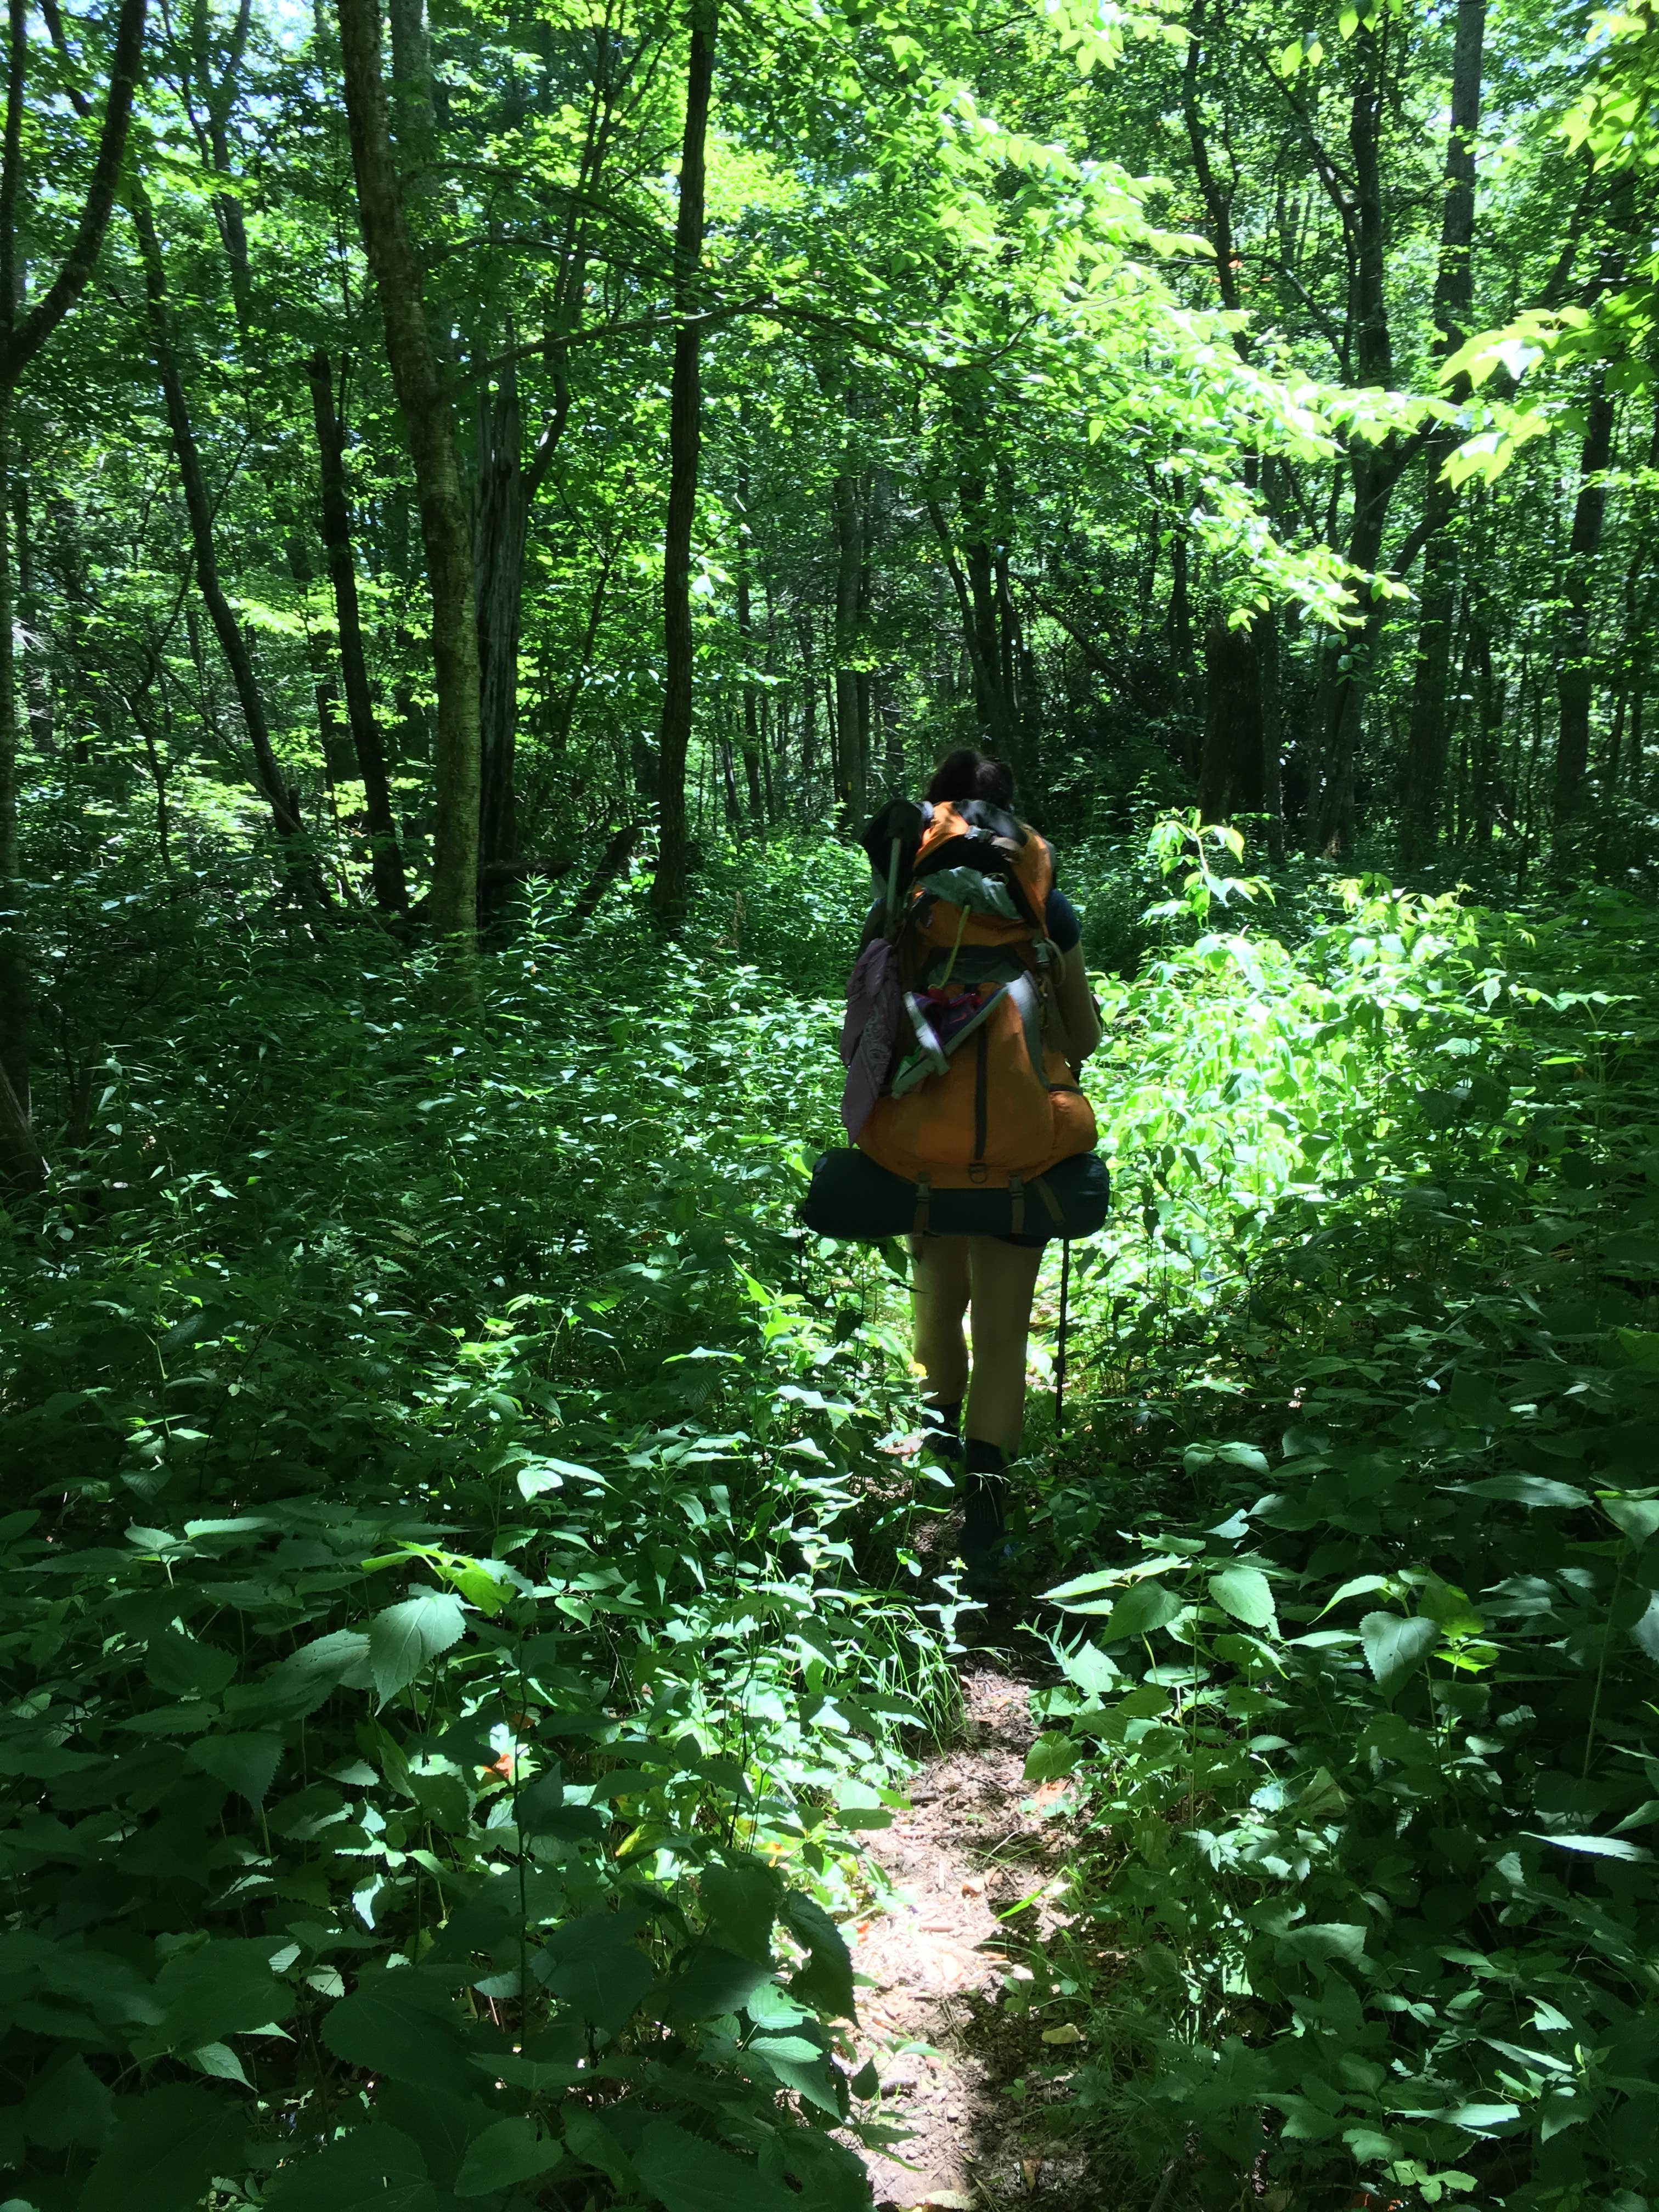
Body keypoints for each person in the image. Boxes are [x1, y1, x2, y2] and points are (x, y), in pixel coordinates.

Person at [878, 749, 1102, 1573]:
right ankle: (986, 1523)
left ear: (937, 814)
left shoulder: (905, 908)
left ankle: (935, 1456)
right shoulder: (1048, 911)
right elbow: (1082, 1039)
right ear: (1012, 821)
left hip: (921, 1150)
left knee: (938, 1304)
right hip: (1019, 1151)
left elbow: (866, 1038)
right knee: (1004, 1337)